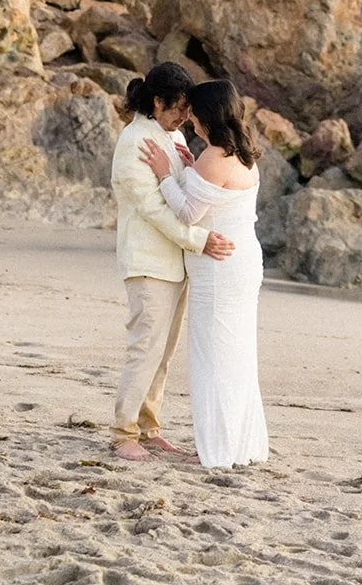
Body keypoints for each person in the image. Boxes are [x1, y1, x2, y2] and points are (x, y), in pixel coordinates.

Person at [139, 78, 269, 470]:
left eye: (192, 109)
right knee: (237, 354)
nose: (188, 115)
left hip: (220, 270)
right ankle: (238, 444)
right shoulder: (243, 154)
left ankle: (216, 449)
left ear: (205, 114)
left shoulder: (213, 157)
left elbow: (186, 213)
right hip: (243, 261)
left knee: (213, 358)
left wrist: (164, 173)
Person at [110, 62, 235, 462]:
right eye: (178, 107)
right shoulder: (135, 142)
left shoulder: (170, 136)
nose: (185, 116)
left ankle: (148, 428)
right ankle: (122, 432)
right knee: (144, 349)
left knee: (162, 353)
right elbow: (153, 210)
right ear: (157, 101)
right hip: (148, 263)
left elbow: (183, 197)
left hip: (173, 264)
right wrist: (200, 242)